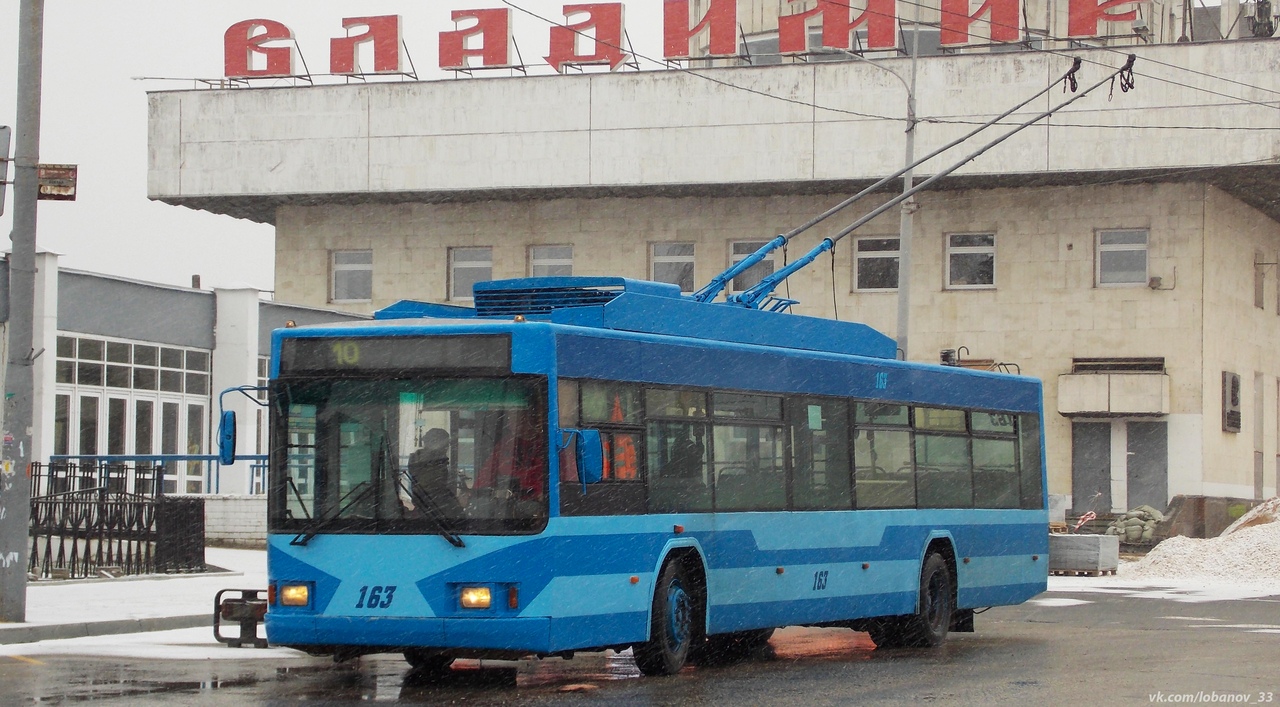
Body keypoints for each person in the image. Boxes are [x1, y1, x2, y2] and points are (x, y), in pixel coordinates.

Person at [402, 428, 464, 518]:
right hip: (434, 512)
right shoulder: (428, 463)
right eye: (445, 444)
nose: (447, 448)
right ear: (433, 443)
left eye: (448, 444)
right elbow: (433, 489)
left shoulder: (426, 461)